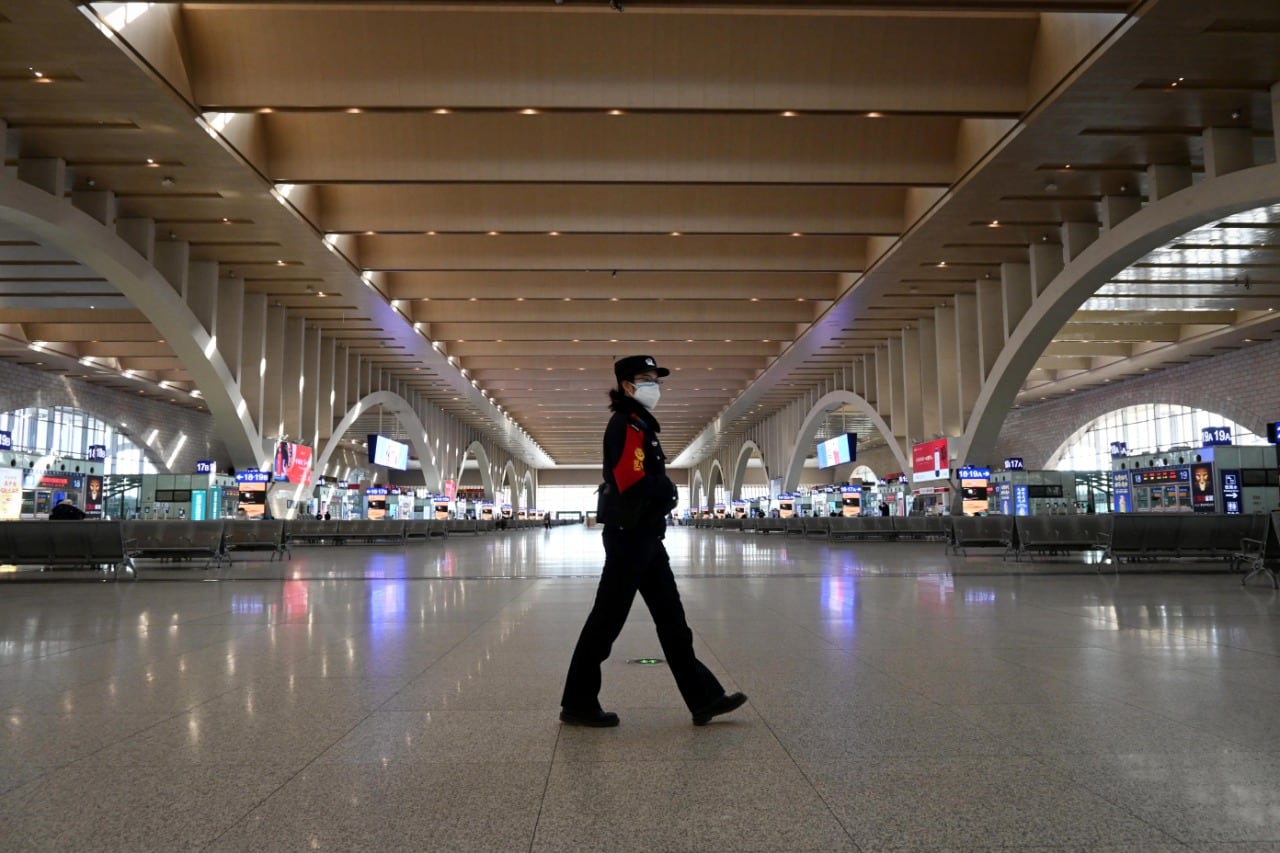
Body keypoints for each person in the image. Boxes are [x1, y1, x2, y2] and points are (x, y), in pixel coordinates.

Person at [560, 355, 746, 728]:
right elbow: (630, 478)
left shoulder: (639, 423)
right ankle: (578, 702)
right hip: (630, 538)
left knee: (672, 620)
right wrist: (667, 489)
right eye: (646, 379)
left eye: (656, 380)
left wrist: (661, 492)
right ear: (627, 385)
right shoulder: (627, 424)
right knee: (607, 621)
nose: (654, 386)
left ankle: (704, 698)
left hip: (644, 536)